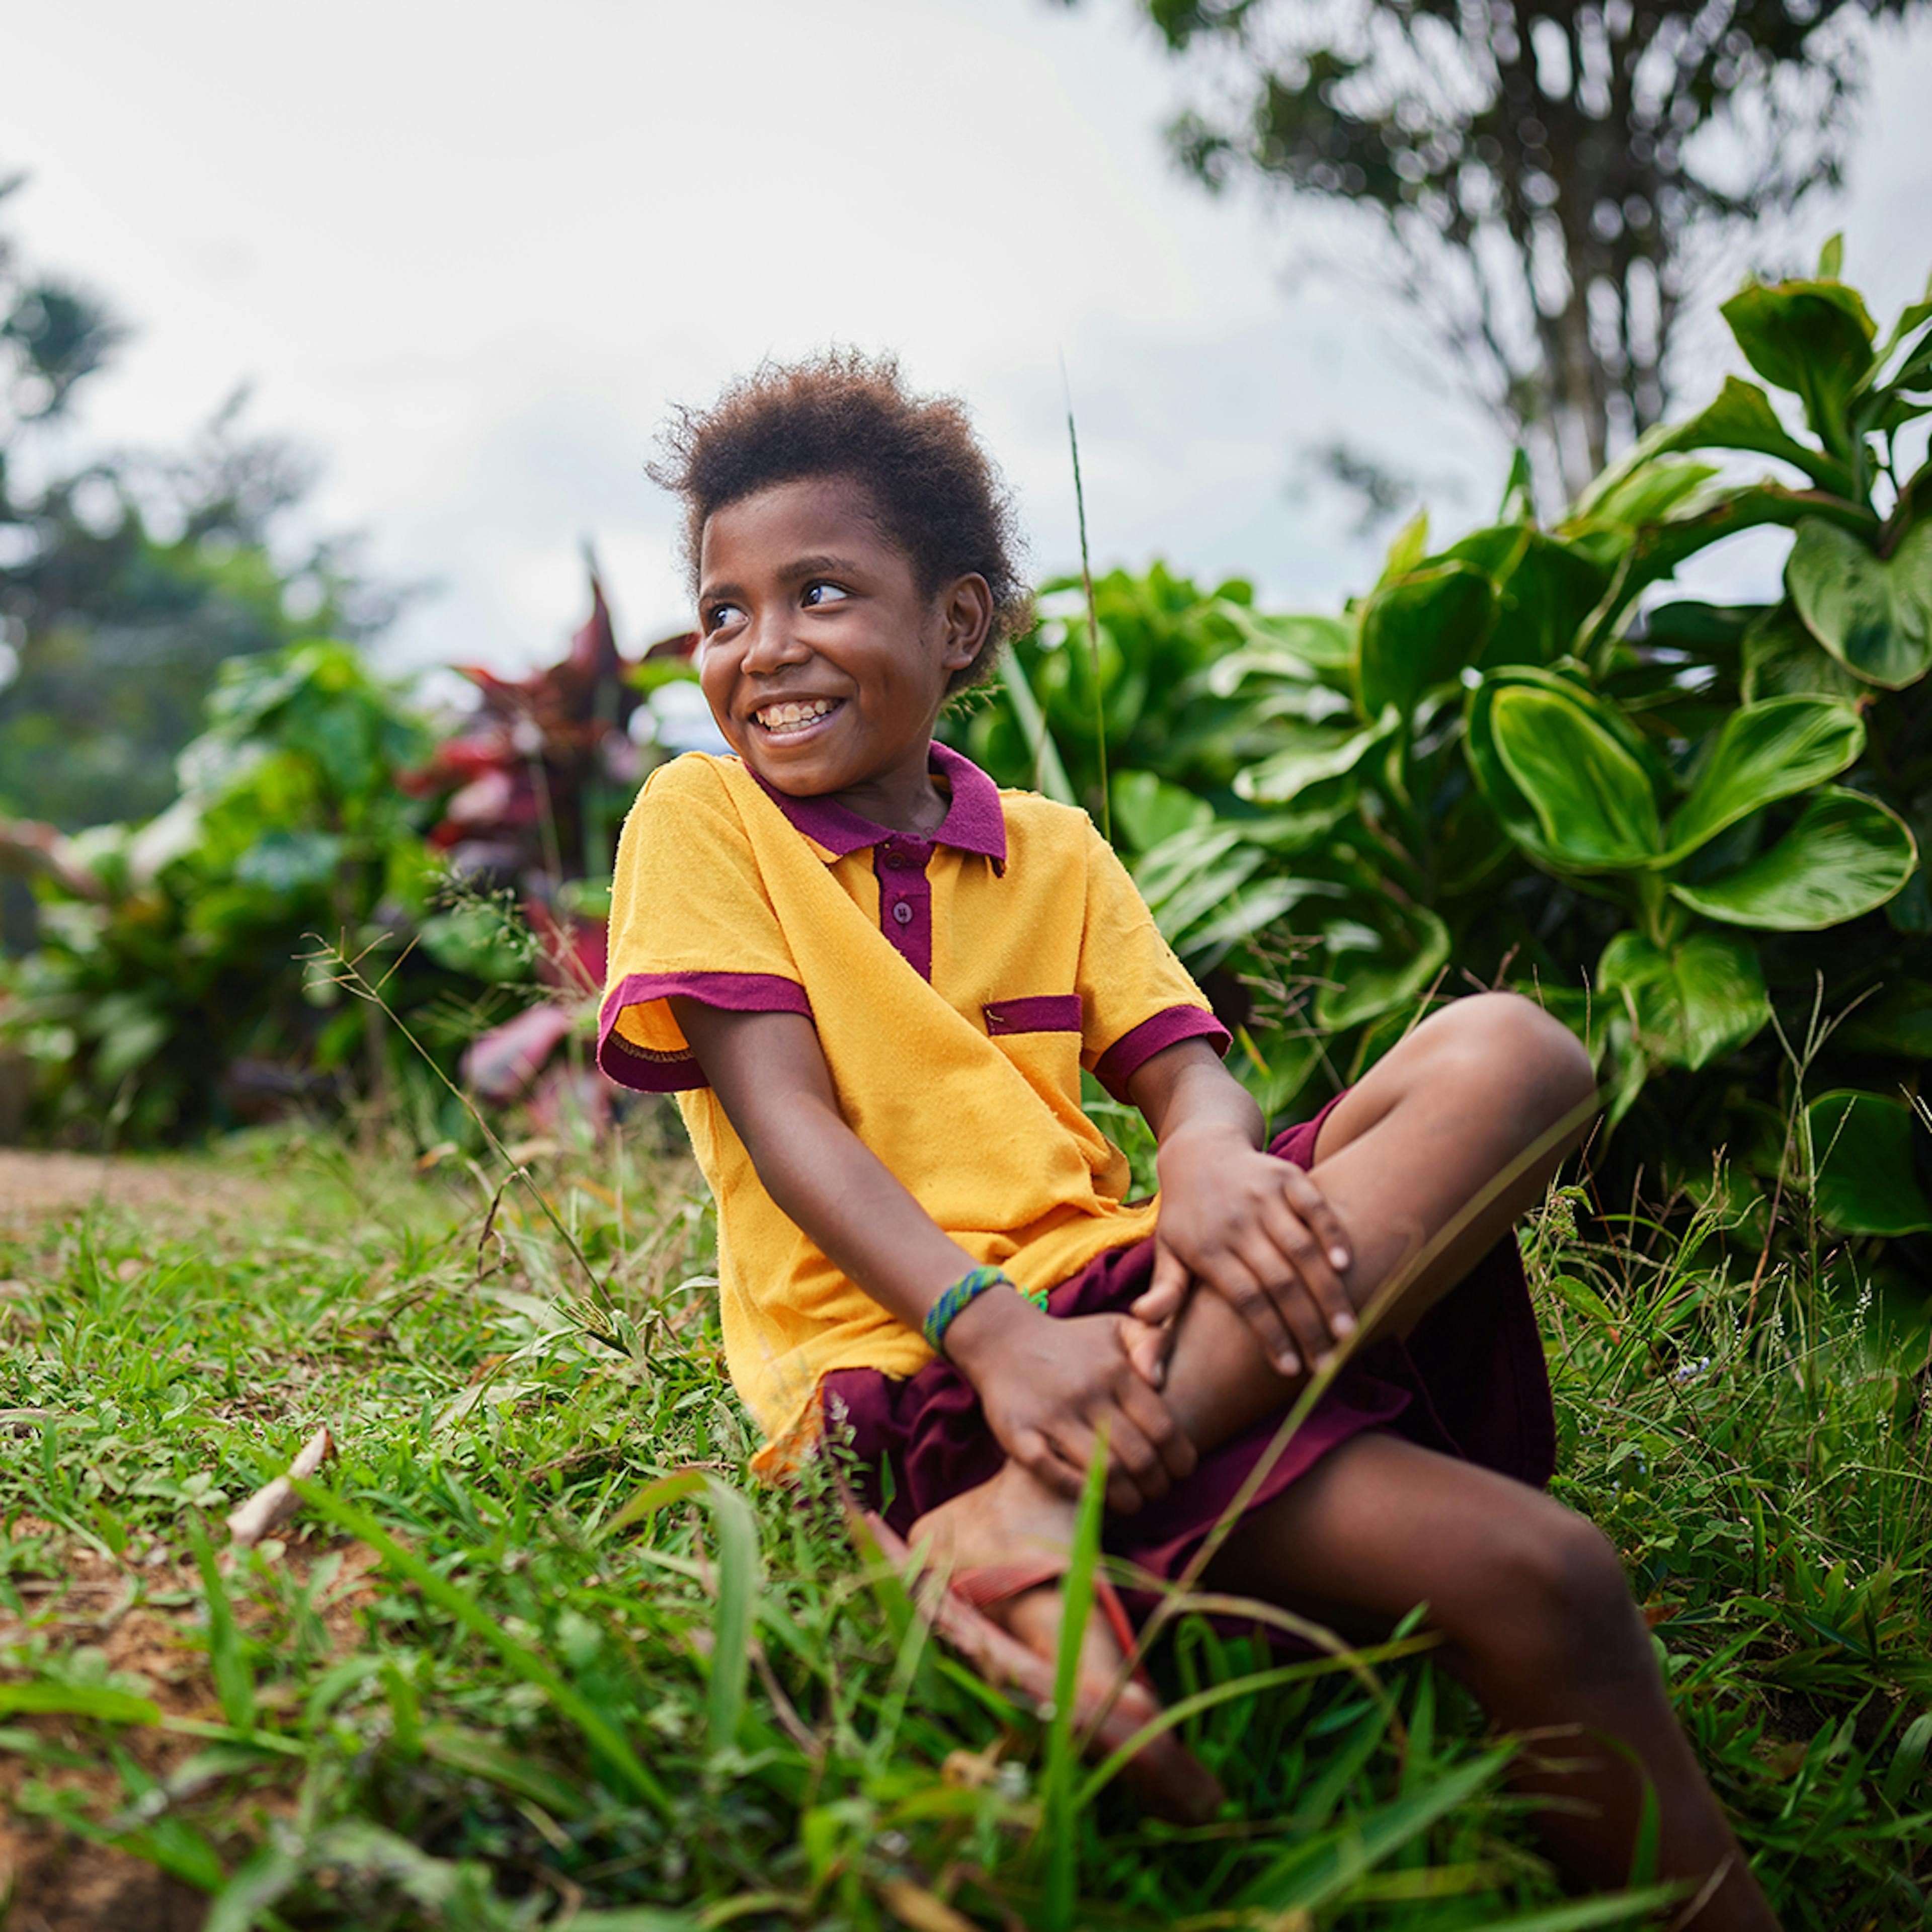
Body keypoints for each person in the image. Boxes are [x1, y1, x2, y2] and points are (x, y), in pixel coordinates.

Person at [598, 352, 1776, 1926]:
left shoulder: (1056, 851)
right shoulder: (702, 816)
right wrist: (995, 1332)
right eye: (724, 611)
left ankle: (1037, 1518)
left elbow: (1185, 1070)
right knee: (1544, 1575)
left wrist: (1213, 1161)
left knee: (1520, 1049)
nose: (762, 650)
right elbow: (790, 1129)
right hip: (938, 1363)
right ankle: (1026, 1485)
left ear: (957, 625)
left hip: (1146, 1307)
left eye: (819, 591)